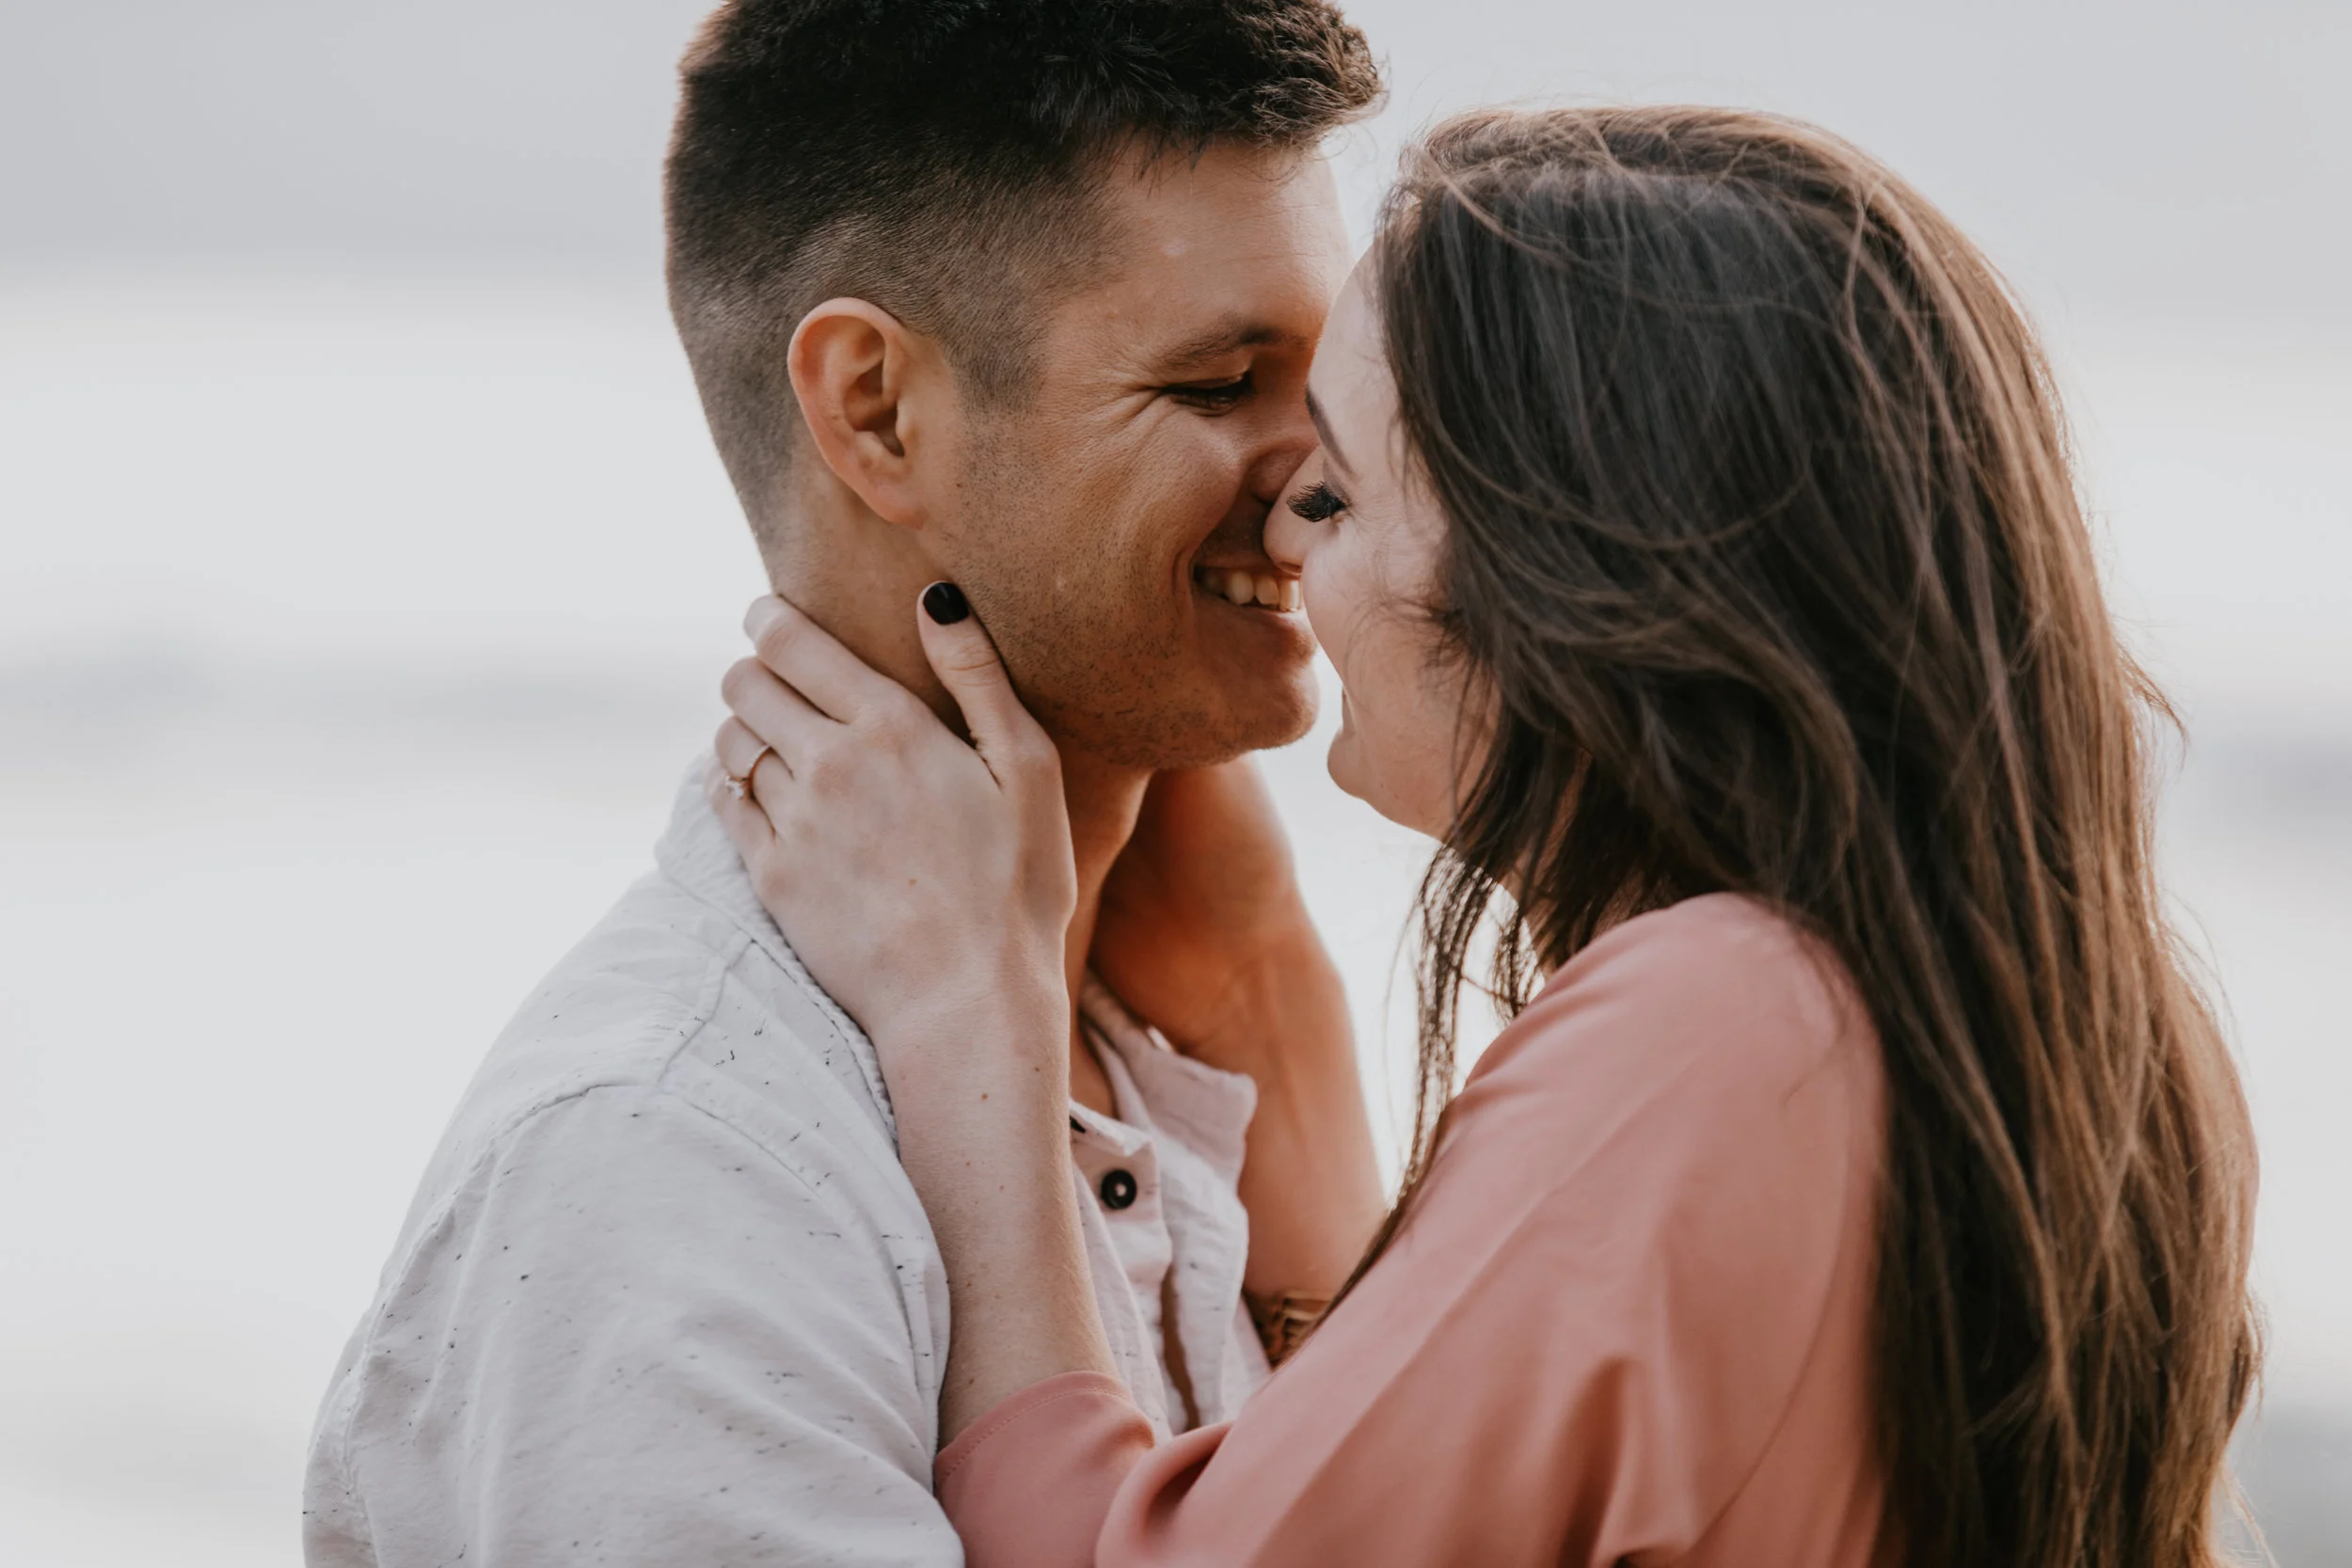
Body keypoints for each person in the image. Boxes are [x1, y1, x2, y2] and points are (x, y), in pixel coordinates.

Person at [712, 106, 2265, 1567]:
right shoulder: (2080, 1036)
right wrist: (1276, 1012)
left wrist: (969, 1012)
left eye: (1338, 490)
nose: (1278, 538)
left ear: (1577, 569)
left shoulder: (1721, 1029)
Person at [301, 4, 1386, 1564]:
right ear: (876, 408)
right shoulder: (677, 1169)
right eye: (1223, 382)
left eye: (1334, 372)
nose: (1334, 473)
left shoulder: (1165, 1042)